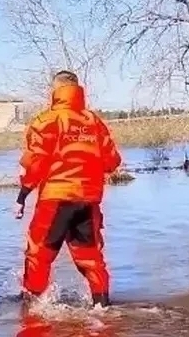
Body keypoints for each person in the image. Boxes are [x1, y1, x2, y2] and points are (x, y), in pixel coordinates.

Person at [13, 70, 122, 308]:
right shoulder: (93, 121)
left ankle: (32, 308)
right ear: (77, 90)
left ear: (55, 91)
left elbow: (35, 163)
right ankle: (102, 306)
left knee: (38, 254)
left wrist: (22, 196)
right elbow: (112, 162)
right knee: (91, 258)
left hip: (56, 199)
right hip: (89, 200)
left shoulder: (46, 121)